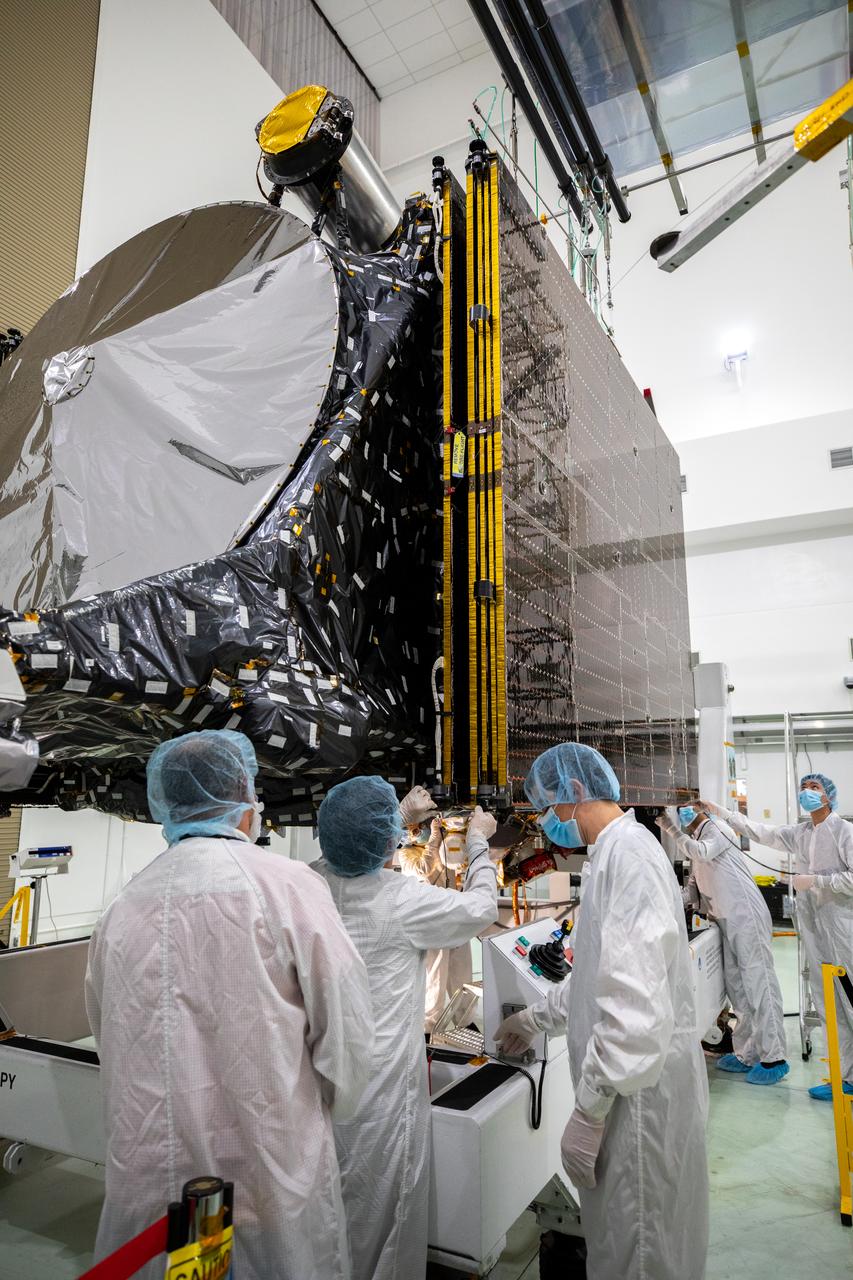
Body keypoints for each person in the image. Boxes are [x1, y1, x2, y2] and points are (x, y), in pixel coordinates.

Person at [85, 730, 374, 1280]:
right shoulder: (289, 888)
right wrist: (329, 1112)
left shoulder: (123, 906)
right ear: (245, 801)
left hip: (153, 1171)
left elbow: (107, 1033)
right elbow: (347, 1035)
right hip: (271, 1161)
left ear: (167, 804)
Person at [493, 742, 709, 1280]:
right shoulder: (615, 853)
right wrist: (533, 1018)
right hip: (631, 1098)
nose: (545, 823)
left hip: (636, 1109)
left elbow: (632, 1011)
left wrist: (587, 1112)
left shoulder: (628, 857)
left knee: (636, 1253)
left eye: (545, 807)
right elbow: (596, 977)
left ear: (573, 793)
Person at [312, 777, 499, 1280]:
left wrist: (398, 818)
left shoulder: (305, 885)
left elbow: (355, 842)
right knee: (385, 1211)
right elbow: (481, 909)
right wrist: (478, 842)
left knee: (327, 1208)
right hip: (382, 1090)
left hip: (316, 1080)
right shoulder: (402, 900)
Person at [703, 773, 853, 1101]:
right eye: (804, 788)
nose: (807, 793)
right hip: (814, 928)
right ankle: (845, 1077)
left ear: (829, 796)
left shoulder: (844, 831)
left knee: (849, 1001)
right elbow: (763, 832)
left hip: (843, 929)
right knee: (829, 1003)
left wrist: (816, 881)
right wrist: (725, 814)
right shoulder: (801, 833)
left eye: (814, 788)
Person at [657, 804, 789, 1085]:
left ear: (702, 808)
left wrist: (669, 829)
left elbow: (700, 852)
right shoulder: (697, 841)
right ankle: (747, 1053)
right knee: (738, 988)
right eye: (680, 809)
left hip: (746, 915)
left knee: (759, 983)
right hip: (725, 919)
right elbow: (692, 887)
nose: (684, 813)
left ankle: (774, 1056)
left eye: (688, 807)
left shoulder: (718, 829)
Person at [398, 818, 474, 1033]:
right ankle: (429, 1029)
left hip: (454, 915)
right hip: (430, 922)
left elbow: (457, 869)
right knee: (436, 976)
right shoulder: (406, 854)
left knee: (461, 971)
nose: (422, 830)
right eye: (420, 828)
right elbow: (423, 868)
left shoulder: (442, 848)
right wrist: (433, 840)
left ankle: (466, 1022)